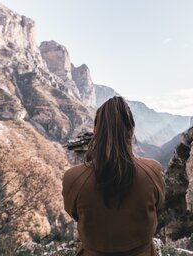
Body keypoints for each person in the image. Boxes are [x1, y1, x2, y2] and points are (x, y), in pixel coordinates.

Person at [62, 96, 165, 256]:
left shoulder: (73, 178)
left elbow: (75, 214)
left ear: (95, 130)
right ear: (131, 130)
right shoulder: (152, 171)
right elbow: (157, 205)